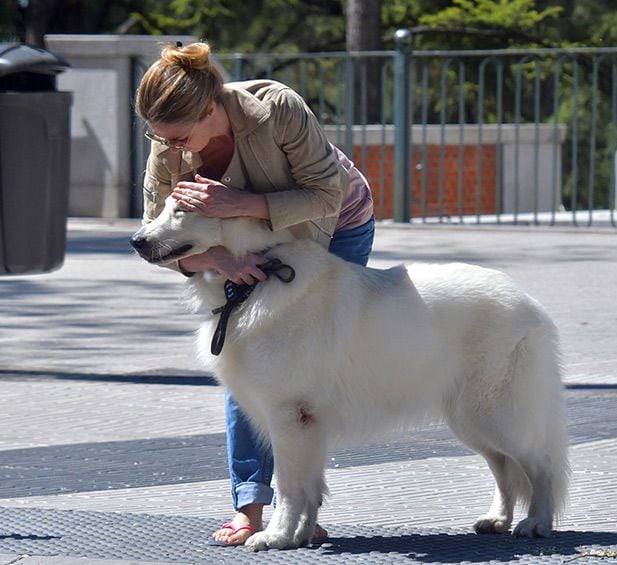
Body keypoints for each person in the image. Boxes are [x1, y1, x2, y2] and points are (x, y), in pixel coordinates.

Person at [135, 42, 375, 545]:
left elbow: (325, 194)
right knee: (245, 360)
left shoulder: (277, 107)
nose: (171, 148)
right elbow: (156, 237)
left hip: (331, 229)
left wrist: (237, 202)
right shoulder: (169, 144)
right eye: (159, 137)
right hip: (236, 250)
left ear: (208, 109)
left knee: (298, 378)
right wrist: (214, 259)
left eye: (178, 136)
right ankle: (250, 507)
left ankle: (301, 508)